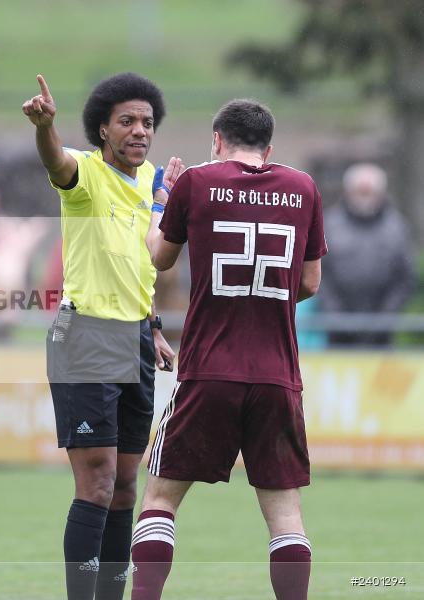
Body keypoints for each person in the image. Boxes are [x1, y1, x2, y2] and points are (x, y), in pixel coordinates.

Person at [134, 99, 327, 600]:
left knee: (159, 499)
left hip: (207, 369)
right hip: (276, 373)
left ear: (217, 140)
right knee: (284, 514)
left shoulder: (197, 181)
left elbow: (159, 259)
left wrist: (162, 199)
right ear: (270, 145)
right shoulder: (303, 187)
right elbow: (309, 282)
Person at [21, 72, 176, 600]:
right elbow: (55, 162)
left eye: (147, 122)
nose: (140, 131)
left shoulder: (149, 179)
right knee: (98, 482)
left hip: (134, 339)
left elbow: (140, 262)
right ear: (103, 130)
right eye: (127, 121)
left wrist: (152, 324)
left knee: (127, 486)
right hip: (86, 335)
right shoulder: (86, 173)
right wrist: (46, 128)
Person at [317, 162, 416, 346]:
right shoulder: (328, 225)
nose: (365, 197)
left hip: (382, 334)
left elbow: (405, 277)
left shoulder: (397, 228)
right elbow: (320, 274)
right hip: (337, 332)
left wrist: (384, 317)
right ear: (348, 192)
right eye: (360, 191)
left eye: (369, 191)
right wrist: (337, 316)